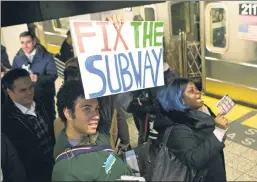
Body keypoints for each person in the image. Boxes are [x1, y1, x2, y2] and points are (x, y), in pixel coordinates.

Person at [52, 80, 133, 181]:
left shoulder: (99, 137)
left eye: (97, 109)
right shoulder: (65, 171)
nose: (97, 116)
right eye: (87, 109)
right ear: (68, 114)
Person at [153, 78, 228, 182]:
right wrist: (218, 131)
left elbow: (211, 137)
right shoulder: (177, 128)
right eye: (191, 91)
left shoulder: (202, 111)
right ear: (181, 100)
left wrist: (219, 132)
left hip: (212, 168)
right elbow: (194, 159)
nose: (198, 91)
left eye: (196, 88)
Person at [61, 58, 131, 151]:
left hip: (87, 146)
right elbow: (119, 117)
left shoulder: (71, 98)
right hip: (105, 142)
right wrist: (125, 141)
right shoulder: (106, 89)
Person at [1, 68, 55, 182]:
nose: (29, 92)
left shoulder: (42, 102)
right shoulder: (5, 119)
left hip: (55, 167)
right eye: (23, 90)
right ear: (10, 92)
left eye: (31, 87)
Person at [12, 31, 58, 123]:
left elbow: (53, 75)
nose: (25, 46)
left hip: (45, 98)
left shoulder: (47, 57)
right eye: (22, 43)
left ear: (34, 42)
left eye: (28, 42)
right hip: (26, 100)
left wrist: (38, 78)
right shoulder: (17, 59)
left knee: (49, 122)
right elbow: (14, 76)